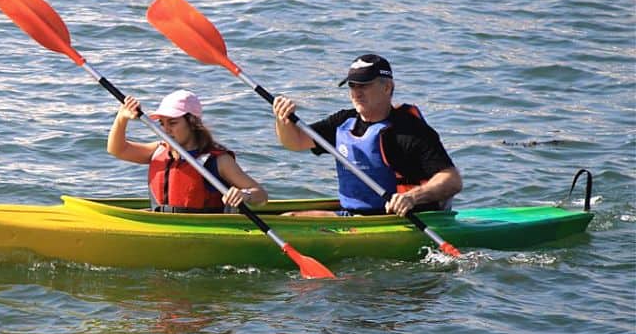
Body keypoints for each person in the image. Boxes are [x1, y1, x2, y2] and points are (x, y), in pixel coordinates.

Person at [272, 53, 462, 217]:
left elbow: (452, 180)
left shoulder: (410, 131)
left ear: (387, 88)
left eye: (364, 86)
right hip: (354, 215)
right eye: (352, 86)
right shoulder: (343, 121)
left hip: (403, 218)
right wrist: (282, 119)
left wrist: (412, 198)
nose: (356, 93)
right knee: (289, 217)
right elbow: (295, 142)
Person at [107, 89, 268, 213]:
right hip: (162, 224)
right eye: (162, 124)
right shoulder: (158, 150)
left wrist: (244, 195)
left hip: (202, 231)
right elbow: (117, 149)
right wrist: (122, 118)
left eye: (173, 123)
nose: (166, 130)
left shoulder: (218, 161)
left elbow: (261, 195)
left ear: (192, 122)